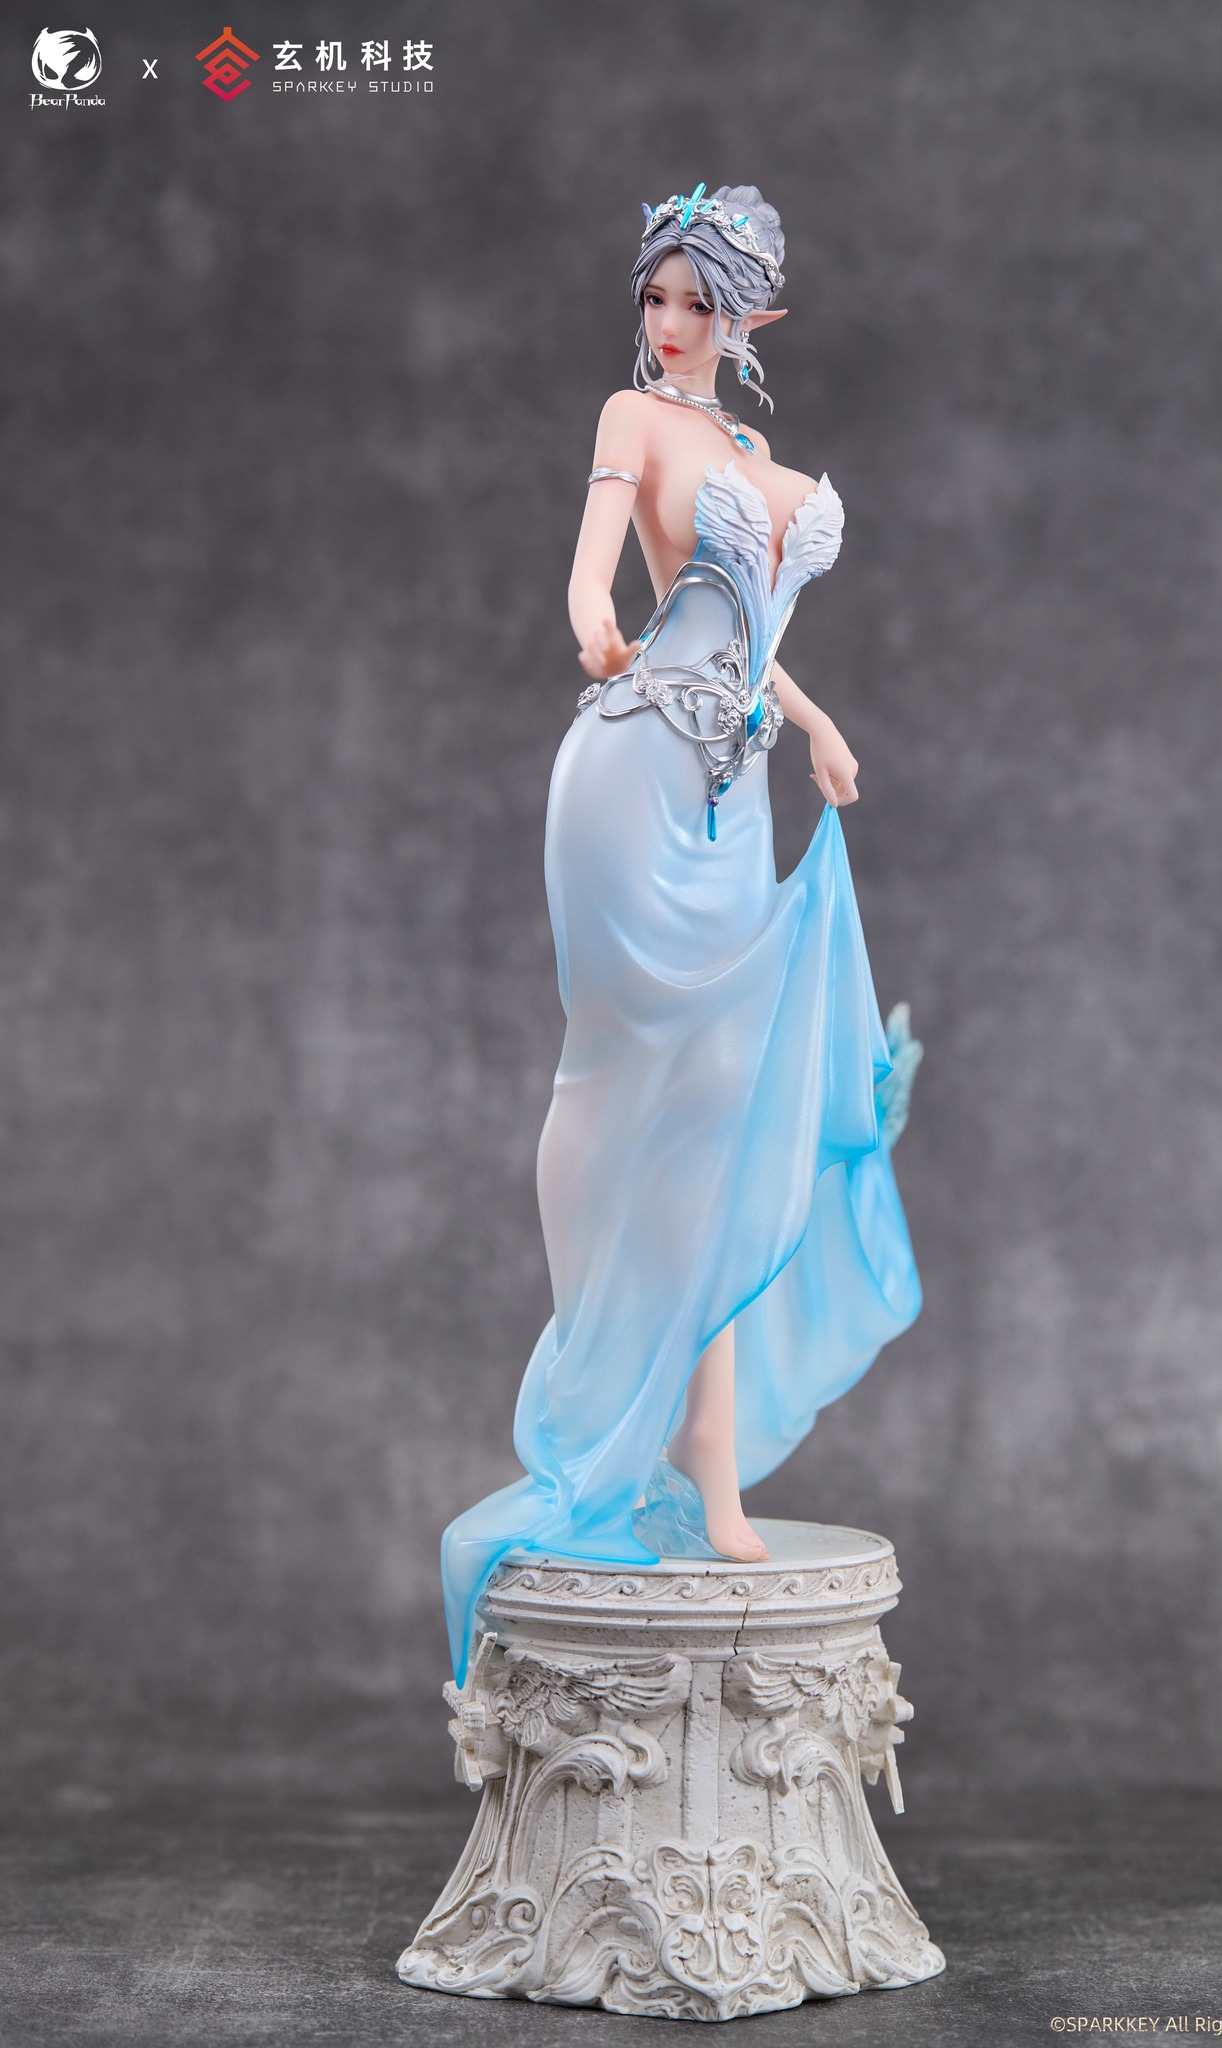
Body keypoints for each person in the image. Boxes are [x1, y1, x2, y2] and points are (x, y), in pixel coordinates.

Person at [441, 184, 922, 1686]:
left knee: (719, 1103)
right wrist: (589, 623)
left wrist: (818, 722)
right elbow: (602, 575)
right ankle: (593, 1378)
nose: (667, 324)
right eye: (655, 297)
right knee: (608, 1068)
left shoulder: (758, 460)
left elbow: (751, 634)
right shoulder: (632, 420)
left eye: (697, 303)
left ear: (750, 314)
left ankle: (705, 1455)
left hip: (735, 790)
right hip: (634, 761)